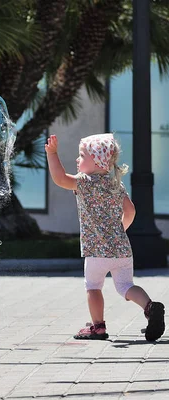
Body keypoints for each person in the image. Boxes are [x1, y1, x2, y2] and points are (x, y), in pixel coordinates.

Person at [45, 133, 165, 341]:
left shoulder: (85, 183)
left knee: (93, 287)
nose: (77, 159)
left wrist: (53, 154)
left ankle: (98, 327)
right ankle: (150, 307)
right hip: (121, 249)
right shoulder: (116, 185)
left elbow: (60, 179)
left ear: (97, 161)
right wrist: (120, 231)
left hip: (96, 251)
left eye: (81, 156)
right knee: (126, 286)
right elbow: (130, 211)